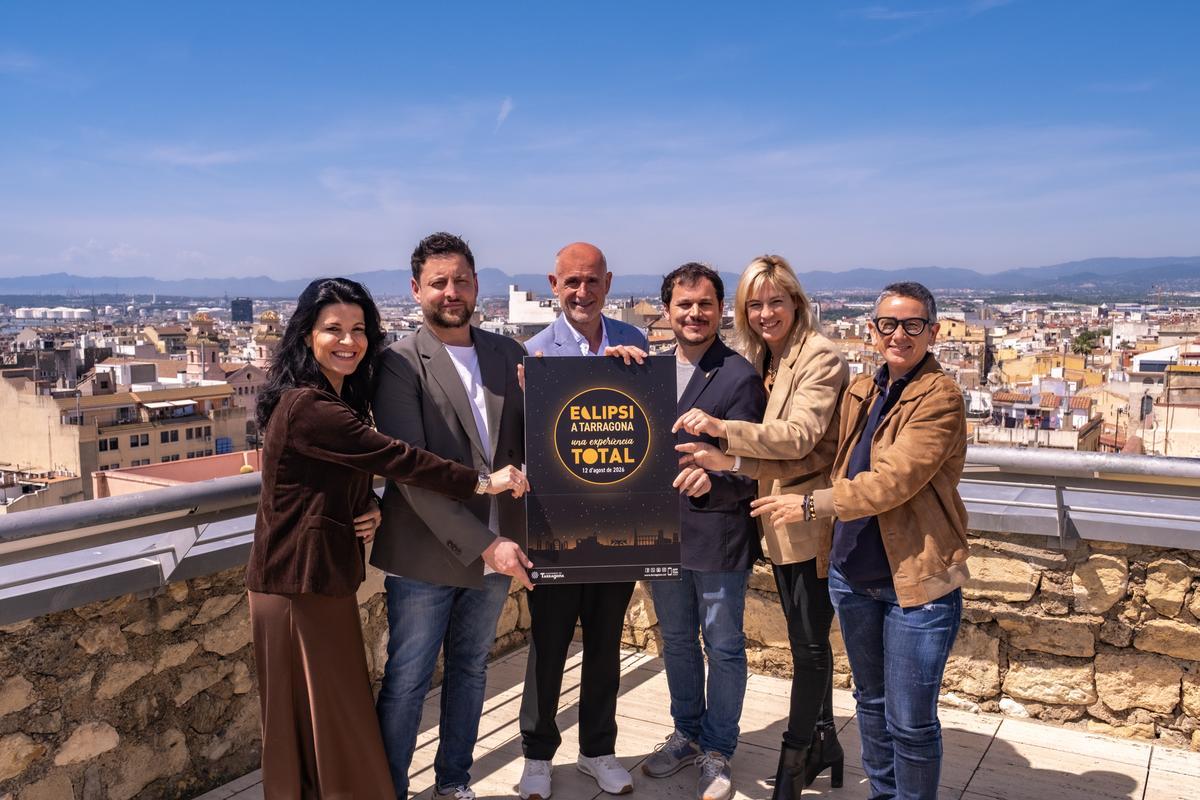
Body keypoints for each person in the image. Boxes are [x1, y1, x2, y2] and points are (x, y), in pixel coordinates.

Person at [245, 277, 526, 799]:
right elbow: (398, 458)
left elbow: (330, 475)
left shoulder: (330, 398)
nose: (348, 341)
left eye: (358, 330)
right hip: (294, 583)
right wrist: (482, 482)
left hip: (314, 577)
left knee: (327, 712)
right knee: (313, 713)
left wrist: (368, 505)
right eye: (333, 329)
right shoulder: (310, 406)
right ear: (306, 335)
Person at [752, 281, 968, 800]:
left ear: (933, 332)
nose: (899, 335)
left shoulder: (940, 397)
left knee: (911, 722)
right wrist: (731, 458)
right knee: (870, 705)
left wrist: (811, 505)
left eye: (912, 324)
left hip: (915, 579)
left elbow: (892, 482)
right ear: (872, 330)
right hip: (852, 576)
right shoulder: (862, 391)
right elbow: (821, 456)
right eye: (888, 324)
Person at [674, 255, 849, 798]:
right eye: (756, 304)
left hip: (805, 520)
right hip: (774, 520)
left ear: (796, 302)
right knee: (804, 639)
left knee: (809, 645)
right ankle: (825, 741)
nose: (766, 312)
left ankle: (796, 759)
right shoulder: (763, 359)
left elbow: (799, 436)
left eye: (776, 301)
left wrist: (723, 432)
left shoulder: (819, 355)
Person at [370, 233, 535, 800]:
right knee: (408, 680)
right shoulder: (397, 363)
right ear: (416, 289)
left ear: (477, 285)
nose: (451, 291)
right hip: (427, 551)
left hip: (496, 544)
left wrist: (616, 366)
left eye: (461, 280)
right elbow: (411, 471)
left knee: (470, 668)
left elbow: (539, 436)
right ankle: (389, 790)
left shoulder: (509, 354)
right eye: (438, 282)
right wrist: (488, 545)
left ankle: (453, 782)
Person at [616, 263, 766, 800]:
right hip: (660, 532)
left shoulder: (739, 376)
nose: (694, 313)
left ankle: (718, 749)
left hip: (717, 534)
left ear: (720, 310)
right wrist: (610, 369)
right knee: (677, 640)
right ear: (667, 311)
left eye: (705, 304)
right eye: (684, 304)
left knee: (723, 645)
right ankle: (686, 733)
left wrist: (715, 478)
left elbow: (756, 466)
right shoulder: (647, 371)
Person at [517, 242, 647, 800]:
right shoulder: (531, 353)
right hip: (554, 527)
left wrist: (638, 377)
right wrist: (528, 394)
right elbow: (521, 441)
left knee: (605, 644)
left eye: (592, 281)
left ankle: (598, 749)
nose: (582, 292)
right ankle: (537, 755)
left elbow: (647, 427)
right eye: (571, 281)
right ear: (554, 285)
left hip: (618, 524)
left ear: (608, 283)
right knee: (548, 645)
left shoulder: (636, 342)